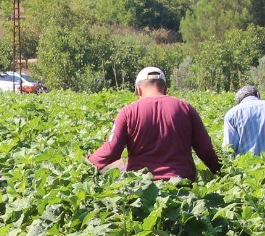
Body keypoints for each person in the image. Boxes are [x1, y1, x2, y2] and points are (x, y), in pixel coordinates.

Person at [87, 66, 221, 181]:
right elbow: (205, 150)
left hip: (142, 185)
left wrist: (87, 164)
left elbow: (111, 150)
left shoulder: (128, 112)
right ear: (165, 89)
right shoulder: (185, 108)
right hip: (181, 183)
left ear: (139, 90)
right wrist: (220, 171)